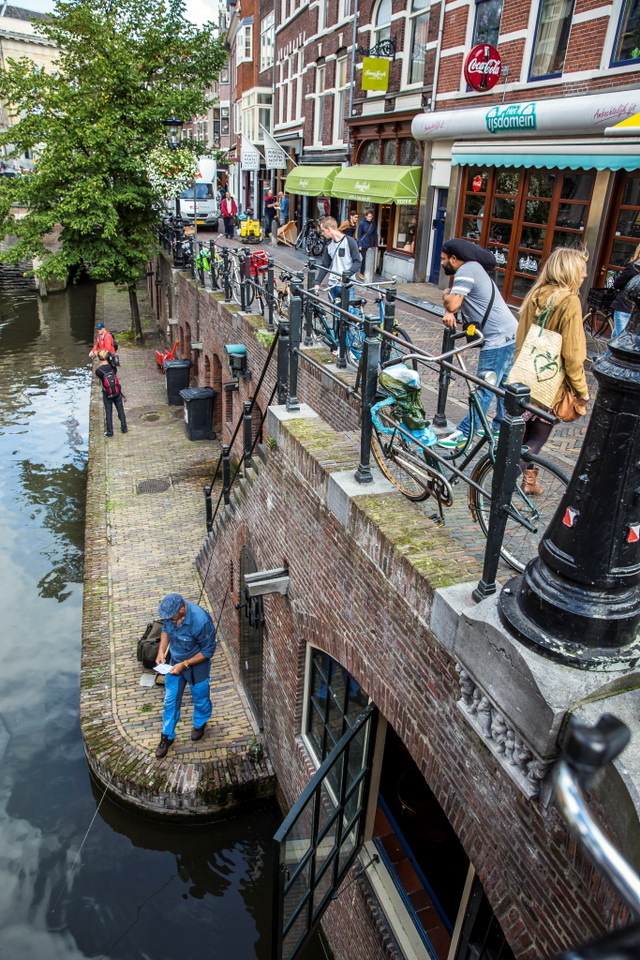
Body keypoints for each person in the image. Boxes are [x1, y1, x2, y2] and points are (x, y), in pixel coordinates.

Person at [515, 247, 589, 493]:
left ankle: (528, 483)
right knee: (536, 440)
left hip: (524, 379)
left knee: (523, 437)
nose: (585, 275)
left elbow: (521, 340)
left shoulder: (536, 293)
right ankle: (499, 487)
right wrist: (581, 390)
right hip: (549, 383)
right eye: (581, 270)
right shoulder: (569, 301)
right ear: (570, 271)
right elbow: (573, 353)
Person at [438, 238, 518, 450]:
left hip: (497, 338)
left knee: (484, 387)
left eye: (444, 259)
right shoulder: (473, 269)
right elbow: (455, 301)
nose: (442, 263)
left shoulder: (466, 270)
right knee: (503, 387)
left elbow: (454, 302)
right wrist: (449, 302)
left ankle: (464, 433)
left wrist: (447, 302)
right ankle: (501, 426)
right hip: (510, 333)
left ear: (454, 259)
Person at [154, 593, 217, 759]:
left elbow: (208, 651)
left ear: (182, 609)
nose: (169, 619)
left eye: (171, 616)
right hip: (175, 662)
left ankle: (200, 723)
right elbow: (165, 630)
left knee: (200, 698)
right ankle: (167, 736)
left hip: (197, 666)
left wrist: (185, 665)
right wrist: (161, 651)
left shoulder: (201, 621)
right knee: (170, 700)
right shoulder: (171, 616)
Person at [313, 216, 362, 305]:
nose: (322, 233)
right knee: (335, 314)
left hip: (347, 285)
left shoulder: (350, 242)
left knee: (348, 314)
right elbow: (325, 265)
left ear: (329, 229)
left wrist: (347, 274)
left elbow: (357, 262)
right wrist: (317, 283)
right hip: (332, 284)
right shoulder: (329, 245)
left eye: (323, 230)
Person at [609, 243, 640, 340]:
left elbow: (617, 284)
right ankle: (606, 356)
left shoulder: (633, 267)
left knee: (620, 339)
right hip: (636, 311)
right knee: (617, 336)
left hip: (624, 307)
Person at [95, 349, 127, 437]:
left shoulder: (98, 370)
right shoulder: (113, 367)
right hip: (117, 392)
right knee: (120, 410)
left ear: (99, 358)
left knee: (108, 412)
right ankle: (124, 428)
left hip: (107, 393)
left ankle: (110, 432)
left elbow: (99, 378)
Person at [357, 210, 378, 280]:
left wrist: (376, 245)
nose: (370, 218)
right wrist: (359, 245)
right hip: (362, 243)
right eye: (369, 216)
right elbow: (359, 235)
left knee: (368, 259)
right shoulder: (362, 223)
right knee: (364, 259)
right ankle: (361, 272)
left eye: (371, 216)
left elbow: (375, 235)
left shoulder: (373, 225)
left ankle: (366, 272)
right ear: (366, 216)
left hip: (369, 243)